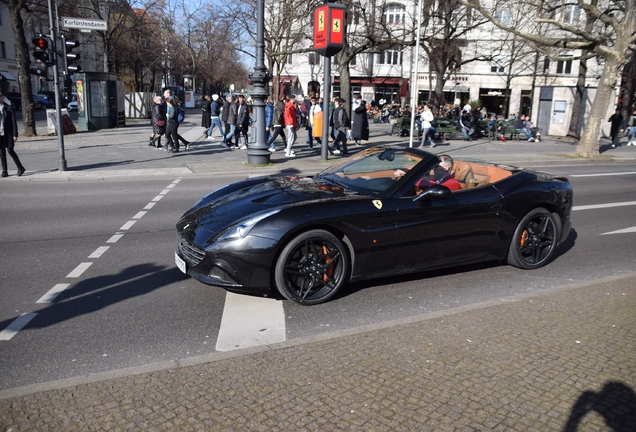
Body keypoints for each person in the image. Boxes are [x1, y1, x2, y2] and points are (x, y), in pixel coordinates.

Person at [0, 91, 24, 177]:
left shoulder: (8, 108)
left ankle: (20, 167)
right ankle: (4, 171)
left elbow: (14, 122)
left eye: (0, 96)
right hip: (0, 133)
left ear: (2, 97)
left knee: (10, 150)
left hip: (8, 133)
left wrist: (15, 134)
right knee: (1, 152)